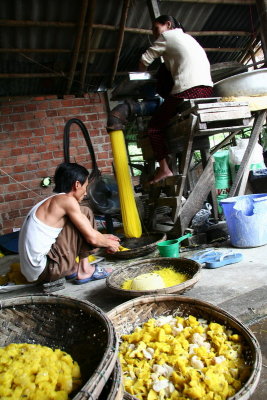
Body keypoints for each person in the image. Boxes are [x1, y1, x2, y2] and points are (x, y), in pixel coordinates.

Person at [139, 15, 214, 183]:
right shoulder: (188, 39)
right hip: (207, 89)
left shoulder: (167, 36)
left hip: (189, 90)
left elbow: (145, 60)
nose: (154, 34)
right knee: (165, 77)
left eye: (156, 29)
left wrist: (141, 74)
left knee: (153, 128)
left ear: (168, 24)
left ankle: (164, 169)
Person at [19, 162, 121, 285]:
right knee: (85, 212)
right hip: (47, 270)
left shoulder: (51, 201)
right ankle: (85, 270)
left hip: (35, 272)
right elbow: (92, 239)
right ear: (77, 185)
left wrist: (103, 237)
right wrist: (110, 244)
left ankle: (73, 268)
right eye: (85, 186)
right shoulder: (67, 201)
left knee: (83, 212)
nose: (86, 192)